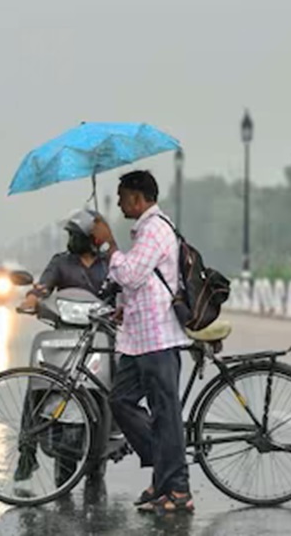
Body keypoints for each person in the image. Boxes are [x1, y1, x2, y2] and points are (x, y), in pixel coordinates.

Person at [92, 170, 194, 514]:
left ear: (138, 198)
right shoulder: (145, 231)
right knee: (120, 400)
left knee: (166, 414)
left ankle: (178, 489)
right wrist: (124, 308)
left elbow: (130, 274)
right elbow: (143, 282)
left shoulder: (155, 229)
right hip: (139, 337)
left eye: (122, 196)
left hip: (158, 337)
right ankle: (165, 470)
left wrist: (108, 245)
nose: (119, 202)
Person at [13, 209, 111, 482]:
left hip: (100, 339)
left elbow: (123, 293)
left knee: (108, 393)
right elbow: (42, 287)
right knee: (38, 386)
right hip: (63, 338)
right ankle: (27, 451)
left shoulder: (110, 265)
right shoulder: (61, 263)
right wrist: (32, 299)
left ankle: (105, 446)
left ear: (92, 238)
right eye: (69, 235)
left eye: (76, 235)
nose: (70, 240)